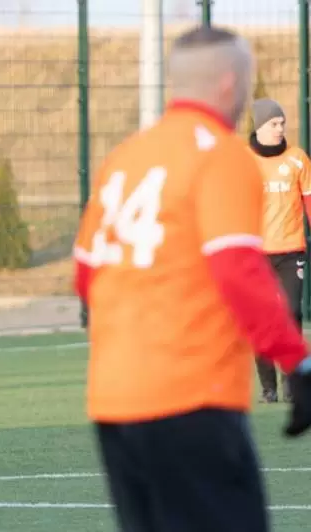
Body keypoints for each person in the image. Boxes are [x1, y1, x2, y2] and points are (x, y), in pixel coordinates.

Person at [72, 25, 311, 532]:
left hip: (114, 402)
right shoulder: (222, 155)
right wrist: (298, 361)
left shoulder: (125, 158)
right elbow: (238, 271)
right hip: (190, 398)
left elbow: (86, 274)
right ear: (229, 83)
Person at [248, 98, 311, 403]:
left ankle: (291, 382)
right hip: (256, 254)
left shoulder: (298, 159)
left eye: (282, 123)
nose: (280, 128)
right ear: (259, 126)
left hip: (290, 251)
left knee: (291, 314)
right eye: (273, 123)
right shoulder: (243, 161)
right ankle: (268, 388)